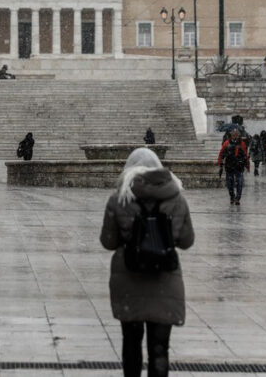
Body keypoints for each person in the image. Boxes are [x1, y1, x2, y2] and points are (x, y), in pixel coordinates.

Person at [100, 147, 195, 377]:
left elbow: (108, 241)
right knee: (159, 349)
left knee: (131, 345)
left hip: (129, 281)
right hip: (165, 281)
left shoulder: (119, 199)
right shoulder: (177, 198)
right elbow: (187, 240)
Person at [217, 128, 250, 205]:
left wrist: (247, 165)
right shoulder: (227, 143)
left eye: (236, 134)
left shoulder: (242, 143)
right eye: (233, 134)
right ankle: (232, 196)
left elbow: (245, 155)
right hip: (229, 166)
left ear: (238, 135)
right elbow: (221, 154)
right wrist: (220, 163)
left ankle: (238, 198)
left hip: (239, 166)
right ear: (231, 135)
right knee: (229, 184)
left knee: (239, 183)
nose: (235, 135)